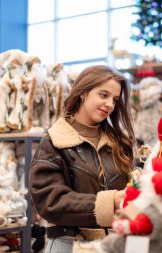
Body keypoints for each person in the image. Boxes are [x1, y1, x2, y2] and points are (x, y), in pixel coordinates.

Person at [29, 65, 135, 253]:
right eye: (103, 95)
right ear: (83, 93)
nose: (110, 104)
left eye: (115, 99)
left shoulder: (119, 143)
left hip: (114, 244)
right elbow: (50, 202)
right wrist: (111, 202)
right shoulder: (54, 142)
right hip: (68, 245)